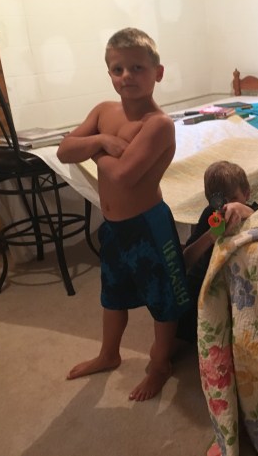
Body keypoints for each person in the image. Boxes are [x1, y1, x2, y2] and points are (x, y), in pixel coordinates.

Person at [56, 27, 191, 401]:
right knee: (112, 294)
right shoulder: (103, 112)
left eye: (137, 68)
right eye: (118, 69)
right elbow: (64, 150)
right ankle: (108, 353)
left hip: (149, 226)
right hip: (114, 226)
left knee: (163, 299)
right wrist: (101, 140)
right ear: (110, 73)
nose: (126, 76)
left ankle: (160, 364)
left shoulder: (157, 124)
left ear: (157, 73)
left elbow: (124, 176)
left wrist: (93, 151)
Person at [177, 161, 258, 342]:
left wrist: (245, 211)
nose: (227, 206)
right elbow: (186, 260)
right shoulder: (210, 214)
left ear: (246, 194)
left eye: (234, 198)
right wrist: (210, 236)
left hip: (240, 285)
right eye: (220, 202)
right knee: (182, 326)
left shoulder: (256, 212)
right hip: (207, 280)